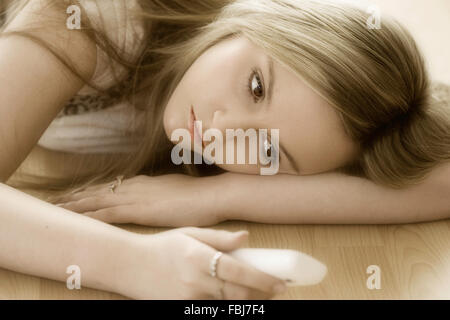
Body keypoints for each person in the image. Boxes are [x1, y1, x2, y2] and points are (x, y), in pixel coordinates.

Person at [0, 0, 448, 299]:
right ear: (257, 21)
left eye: (269, 154)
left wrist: (217, 195)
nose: (225, 133)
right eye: (256, 88)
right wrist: (134, 262)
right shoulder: (91, 18)